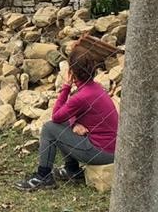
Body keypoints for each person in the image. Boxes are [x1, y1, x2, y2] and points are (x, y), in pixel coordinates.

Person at [16, 48, 118, 191]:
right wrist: (74, 123)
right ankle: (72, 170)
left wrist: (66, 87)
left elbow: (56, 117)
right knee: (63, 125)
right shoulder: (95, 88)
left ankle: (43, 177)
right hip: (111, 149)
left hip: (101, 152)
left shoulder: (81, 96)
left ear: (72, 73)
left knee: (49, 129)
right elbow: (69, 117)